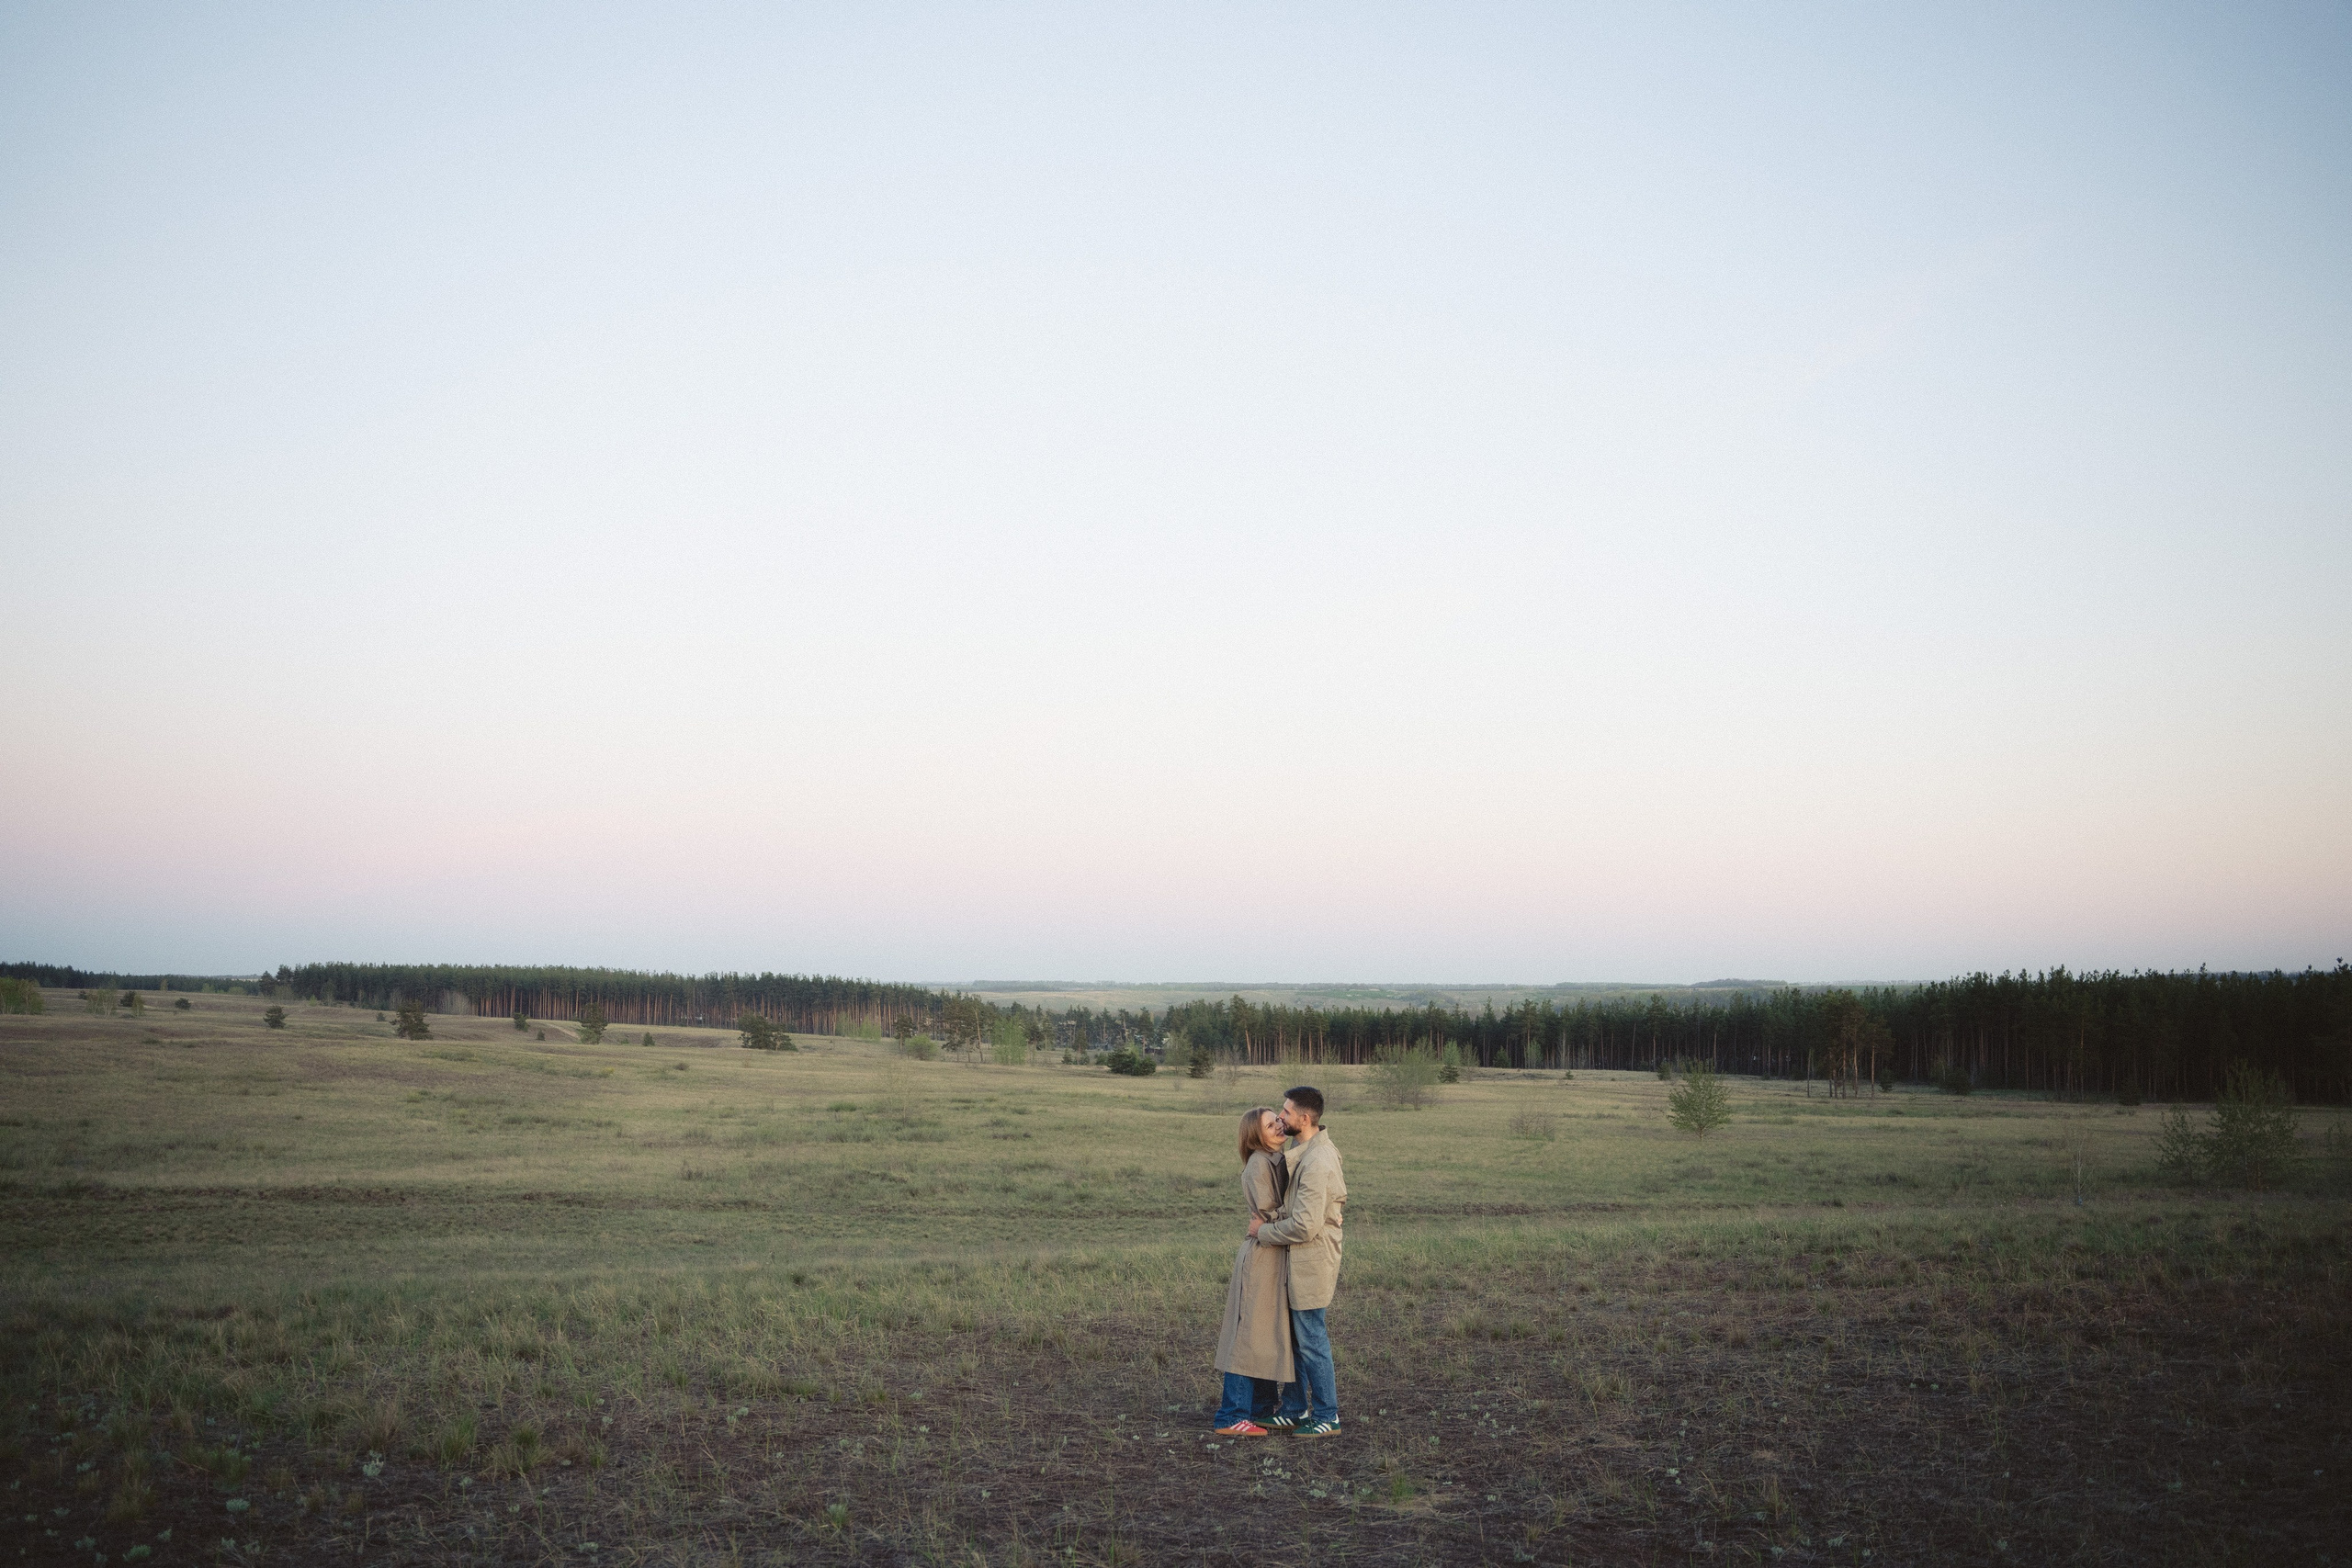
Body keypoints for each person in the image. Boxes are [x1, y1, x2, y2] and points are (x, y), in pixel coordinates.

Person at [1250, 1085, 1346, 1437]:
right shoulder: (1304, 1148)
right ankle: (1293, 1409)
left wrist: (1262, 1231)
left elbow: (1305, 1225)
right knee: (1295, 1338)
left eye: (1287, 1112)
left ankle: (1327, 1416)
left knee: (1311, 1339)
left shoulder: (1318, 1160)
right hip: (1300, 1259)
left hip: (1312, 1261)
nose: (1280, 1116)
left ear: (1304, 1119)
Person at [1210, 1107, 1295, 1436]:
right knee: (1248, 1335)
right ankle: (1231, 1415)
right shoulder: (1259, 1164)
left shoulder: (1277, 1160)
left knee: (1267, 1333)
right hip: (1262, 1258)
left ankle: (1260, 1408)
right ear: (1254, 1135)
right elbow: (1271, 1215)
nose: (1278, 1126)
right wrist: (1315, 1213)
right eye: (1269, 1124)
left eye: (1278, 1120)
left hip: (1275, 1254)